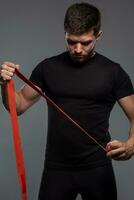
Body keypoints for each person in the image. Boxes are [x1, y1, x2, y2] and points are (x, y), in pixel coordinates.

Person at [0, 2, 134, 200]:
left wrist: (132, 144)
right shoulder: (48, 68)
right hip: (56, 169)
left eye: (86, 42)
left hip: (97, 167)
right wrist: (4, 84)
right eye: (71, 42)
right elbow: (17, 106)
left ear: (98, 35)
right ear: (65, 34)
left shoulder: (114, 72)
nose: (78, 49)